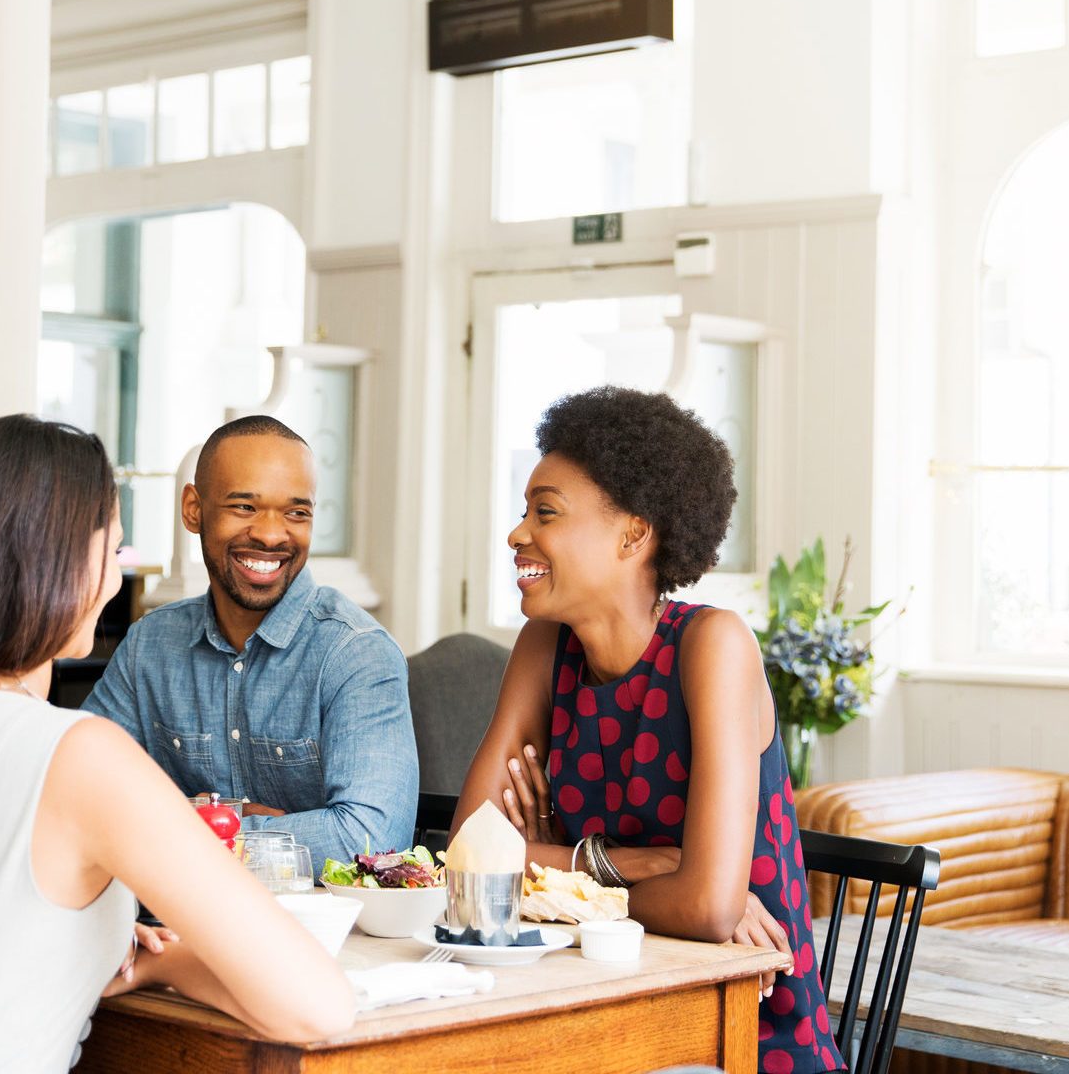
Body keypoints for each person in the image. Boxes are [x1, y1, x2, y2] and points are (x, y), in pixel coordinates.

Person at [0, 415, 354, 1074]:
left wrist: (88, 940)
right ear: (59, 562)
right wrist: (164, 962)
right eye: (114, 551)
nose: (115, 581)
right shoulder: (80, 755)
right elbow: (317, 1006)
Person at [456, 386, 844, 1074]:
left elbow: (705, 910)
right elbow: (470, 860)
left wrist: (557, 865)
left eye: (544, 513)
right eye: (523, 512)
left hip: (737, 1030)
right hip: (600, 1007)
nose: (517, 534)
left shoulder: (712, 646)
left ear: (633, 534)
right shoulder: (543, 646)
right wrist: (644, 863)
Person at [82, 415, 417, 871]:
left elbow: (373, 841)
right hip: (172, 926)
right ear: (194, 510)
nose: (271, 533)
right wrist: (252, 827)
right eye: (245, 507)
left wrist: (209, 825)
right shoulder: (151, 644)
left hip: (319, 934)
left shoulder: (355, 653)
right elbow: (84, 794)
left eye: (296, 513)